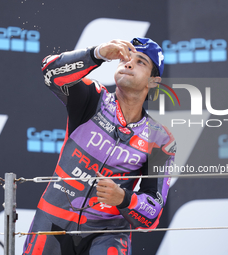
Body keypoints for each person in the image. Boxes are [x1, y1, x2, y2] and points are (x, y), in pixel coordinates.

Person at [23, 37, 176, 255]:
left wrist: (123, 198)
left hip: (109, 233)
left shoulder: (160, 139)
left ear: (153, 81)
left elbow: (152, 213)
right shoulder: (92, 97)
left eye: (141, 61)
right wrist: (97, 54)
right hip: (52, 223)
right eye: (126, 58)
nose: (129, 63)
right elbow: (50, 72)